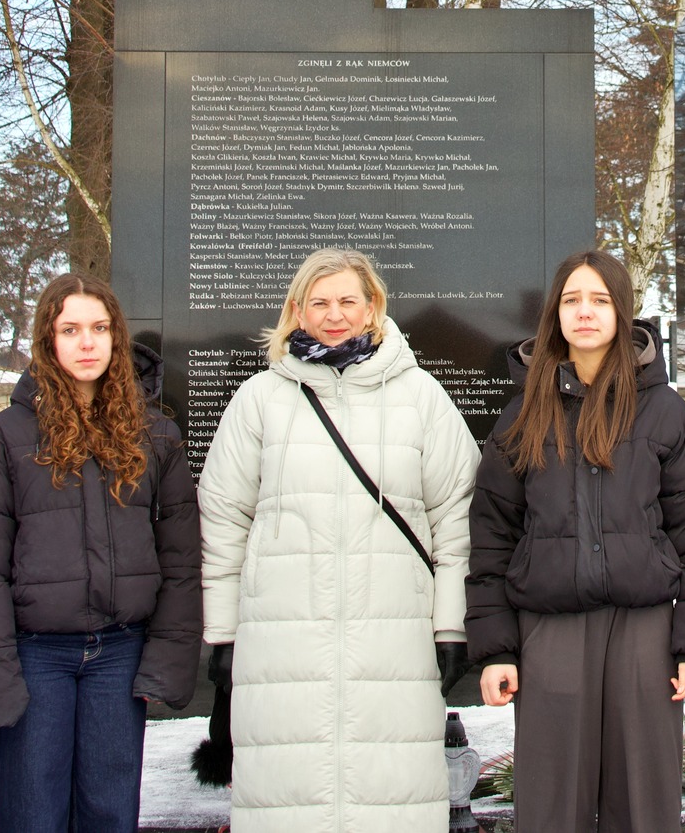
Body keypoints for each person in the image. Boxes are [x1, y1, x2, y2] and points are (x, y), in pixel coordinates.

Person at [198, 247, 481, 832]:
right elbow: (224, 520)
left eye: (348, 300)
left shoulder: (421, 396)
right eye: (319, 302)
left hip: (393, 643)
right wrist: (224, 633)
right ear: (296, 311)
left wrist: (451, 625)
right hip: (282, 645)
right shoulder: (259, 400)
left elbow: (458, 516)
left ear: (373, 305)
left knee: (390, 799)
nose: (335, 315)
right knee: (288, 802)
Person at [467, 249, 685, 833]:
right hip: (548, 629)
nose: (584, 312)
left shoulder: (665, 415)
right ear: (554, 316)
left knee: (643, 800)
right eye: (571, 300)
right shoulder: (520, 418)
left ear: (622, 313)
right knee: (549, 801)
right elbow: (490, 540)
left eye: (599, 300)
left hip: (644, 631)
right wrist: (496, 650)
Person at [0, 273, 202, 833]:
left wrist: (165, 658)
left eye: (99, 328)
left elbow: (181, 561)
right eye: (70, 330)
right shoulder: (6, 436)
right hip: (34, 655)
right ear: (48, 340)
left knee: (110, 816)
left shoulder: (155, 434)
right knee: (32, 816)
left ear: (116, 337)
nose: (86, 343)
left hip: (119, 655)